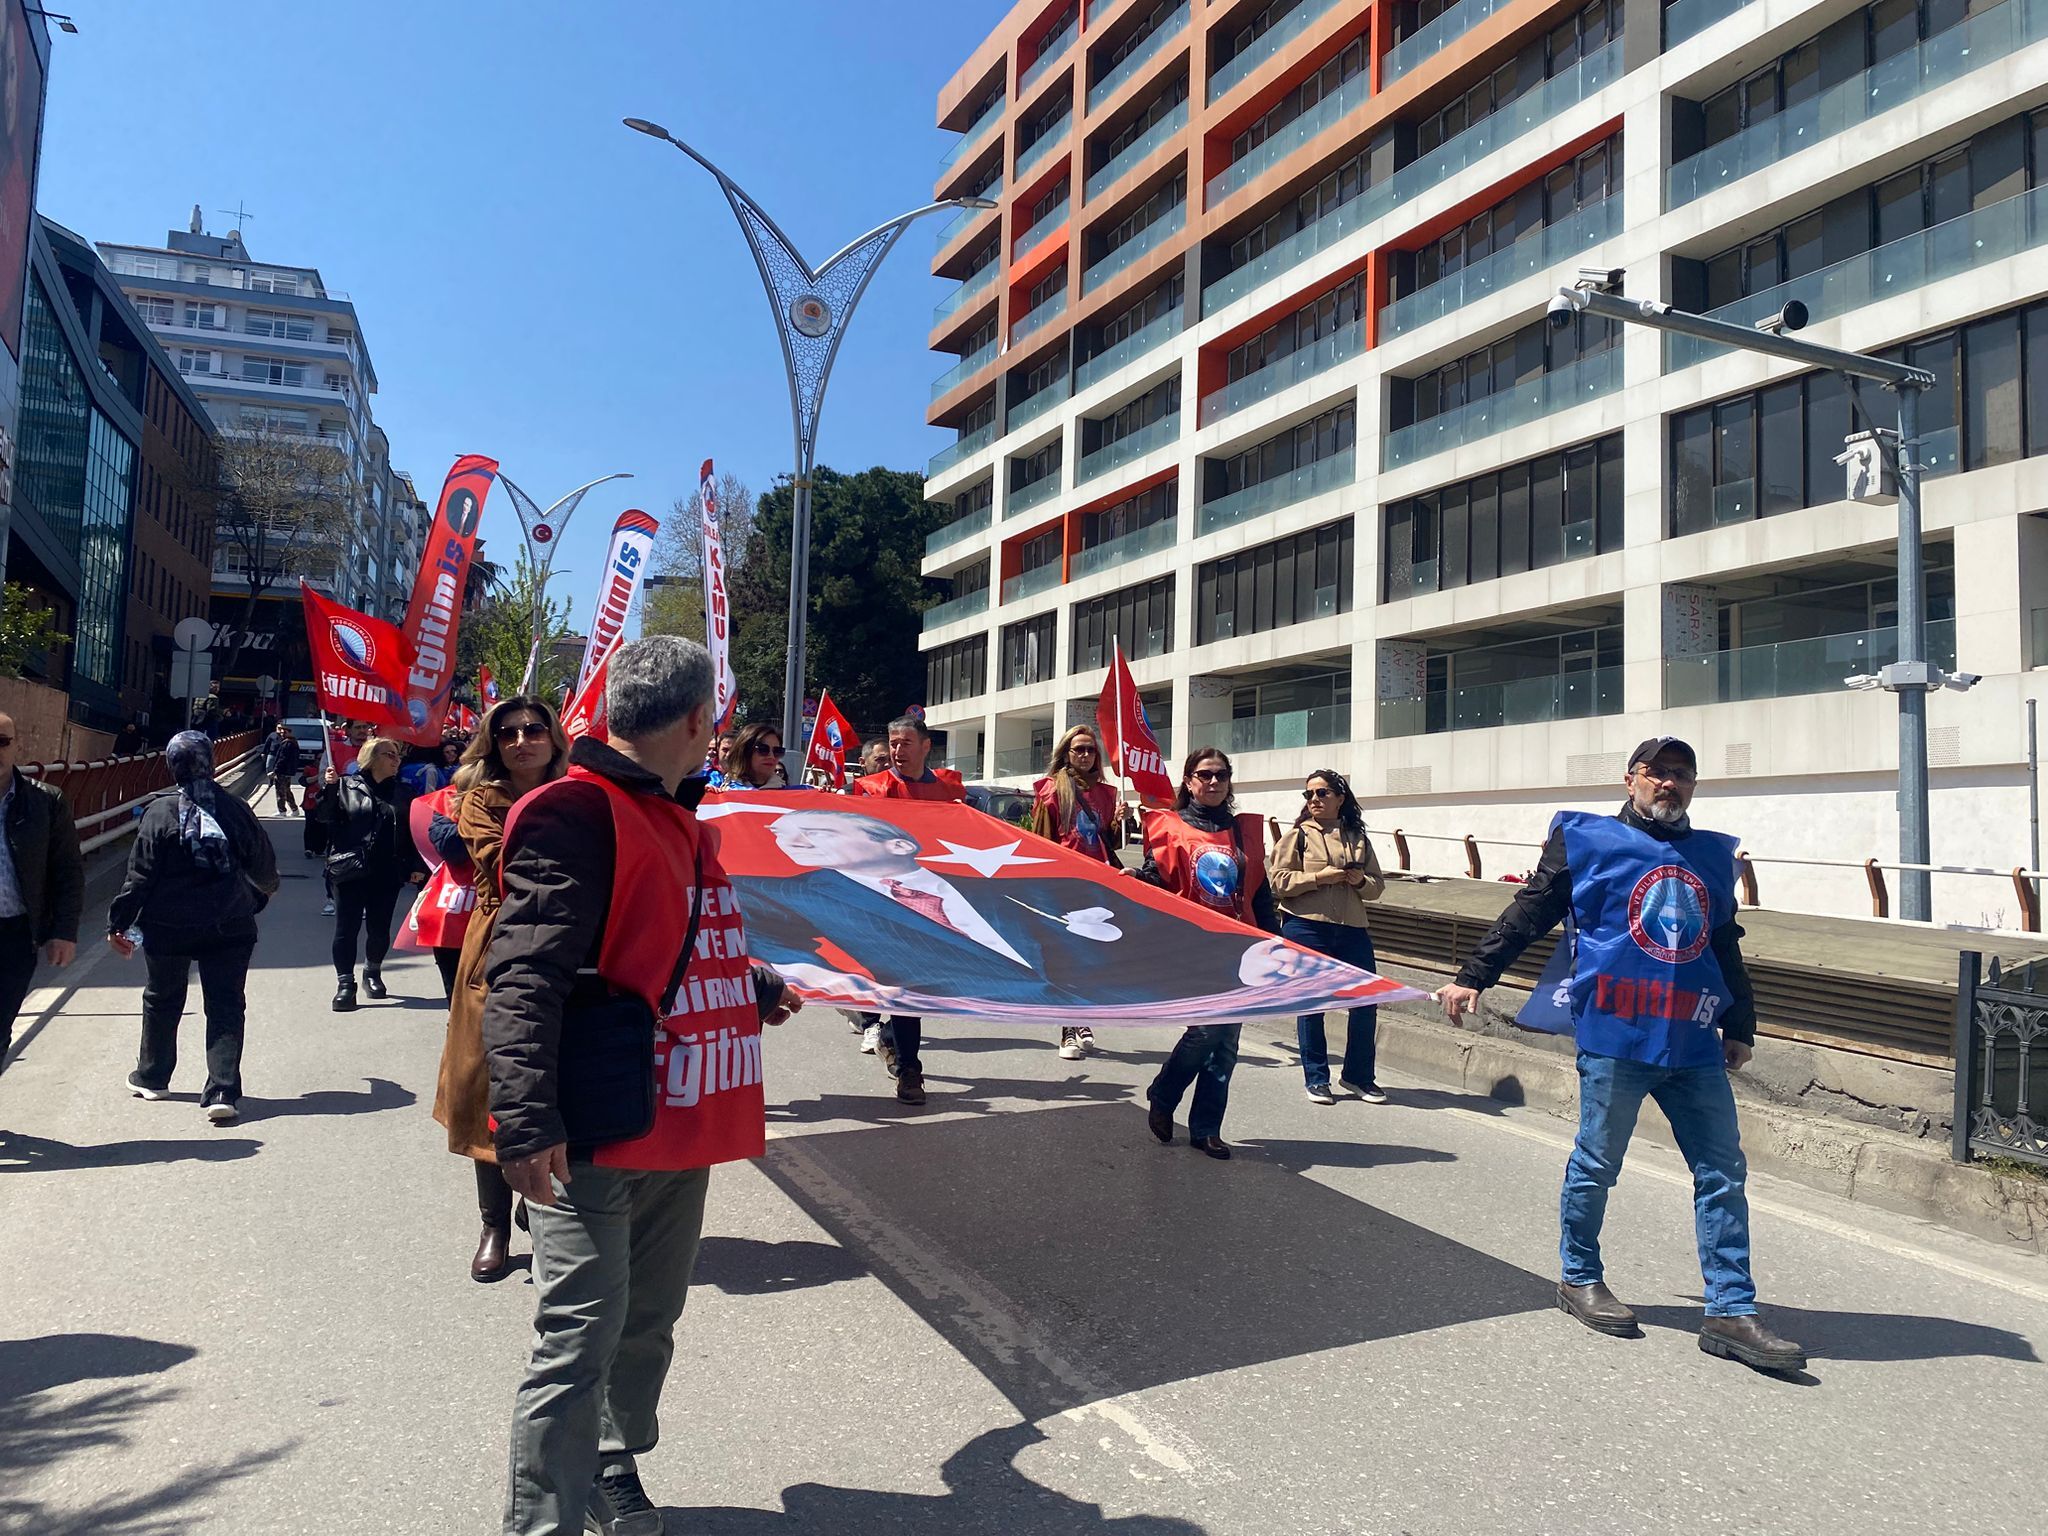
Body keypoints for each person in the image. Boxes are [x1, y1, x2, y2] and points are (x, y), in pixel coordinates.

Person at [482, 636, 800, 1535]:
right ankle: (542, 1521)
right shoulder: (575, 811)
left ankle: (609, 1464)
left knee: (648, 1322)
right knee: (579, 1337)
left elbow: (660, 944)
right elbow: (525, 975)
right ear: (698, 719)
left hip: (678, 1118)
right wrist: (524, 1119)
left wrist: (750, 987)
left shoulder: (675, 815)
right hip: (594, 1123)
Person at [1433, 737, 1804, 1373]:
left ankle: (1730, 1309)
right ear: (1631, 779)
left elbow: (1724, 943)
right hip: (1616, 1036)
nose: (1670, 783)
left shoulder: (1712, 858)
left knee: (1722, 1172)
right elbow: (1530, 910)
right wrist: (1474, 976)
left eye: (1682, 774)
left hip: (1693, 1041)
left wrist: (1740, 1023)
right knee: (1598, 1162)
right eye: (1657, 772)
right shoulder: (1586, 841)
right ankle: (1579, 1277)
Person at [433, 695, 568, 1284]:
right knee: (489, 1084)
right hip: (498, 942)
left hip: (569, 942)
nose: (521, 741)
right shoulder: (480, 801)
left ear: (553, 738)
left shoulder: (578, 793)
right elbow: (506, 864)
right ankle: (493, 1225)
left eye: (533, 729)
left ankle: (539, 1209)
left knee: (554, 1078)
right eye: (508, 733)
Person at [107, 732, 278, 1123]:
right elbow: (264, 867)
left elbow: (140, 877)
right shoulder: (235, 809)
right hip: (230, 923)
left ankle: (153, 1076)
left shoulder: (159, 812)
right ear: (210, 762)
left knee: (162, 998)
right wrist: (258, 897)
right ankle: (222, 1089)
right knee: (226, 1004)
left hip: (168, 926)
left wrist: (119, 922)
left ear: (172, 766)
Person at [1136, 747, 1276, 1160]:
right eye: (1205, 775)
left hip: (1238, 947)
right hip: (1192, 946)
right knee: (1205, 1031)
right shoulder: (1170, 826)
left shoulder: (1243, 831)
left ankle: (1206, 1129)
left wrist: (1275, 942)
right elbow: (1156, 879)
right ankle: (1165, 1093)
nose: (1213, 782)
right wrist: (1134, 879)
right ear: (1189, 780)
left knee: (1227, 1042)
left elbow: (1259, 892)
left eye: (1221, 775)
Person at [846, 715, 965, 1105]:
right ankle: (910, 1069)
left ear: (926, 746)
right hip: (885, 900)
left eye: (905, 743)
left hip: (933, 899)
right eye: (893, 742)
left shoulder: (950, 790)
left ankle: (893, 1041)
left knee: (919, 984)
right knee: (902, 983)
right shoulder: (871, 788)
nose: (897, 750)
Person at [1269, 769, 1386, 1105]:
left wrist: (1359, 881)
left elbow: (1377, 886)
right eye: (1309, 794)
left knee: (1365, 1001)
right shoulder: (1297, 836)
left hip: (1352, 927)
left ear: (1340, 798)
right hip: (1307, 926)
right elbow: (1278, 881)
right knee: (1312, 1003)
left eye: (1322, 793)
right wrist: (1320, 878)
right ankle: (1317, 1078)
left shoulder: (1358, 837)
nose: (1315, 799)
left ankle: (1358, 1076)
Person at [1027, 724, 1119, 1059]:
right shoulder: (1052, 790)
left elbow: (1110, 844)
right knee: (1067, 958)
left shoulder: (1108, 794)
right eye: (1078, 749)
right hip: (1064, 886)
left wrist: (1119, 822)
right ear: (1066, 753)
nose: (1085, 755)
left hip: (1098, 887)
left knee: (1092, 957)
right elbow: (1041, 843)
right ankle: (1068, 1028)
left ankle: (1084, 1016)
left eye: (1090, 749)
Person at [315, 736, 426, 1011]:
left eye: (397, 755)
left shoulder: (404, 792)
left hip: (388, 870)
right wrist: (330, 789)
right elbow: (325, 818)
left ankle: (372, 972)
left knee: (379, 928)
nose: (396, 760)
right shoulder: (344, 786)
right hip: (350, 869)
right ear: (372, 758)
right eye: (390, 754)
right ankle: (345, 984)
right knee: (346, 929)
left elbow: (413, 831)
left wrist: (416, 866)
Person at [0, 711, 81, 1073]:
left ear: (16, 746)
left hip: (15, 935)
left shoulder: (45, 801)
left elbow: (67, 870)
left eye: (2, 742)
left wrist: (63, 931)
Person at [724, 721, 790, 790]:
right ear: (745, 752)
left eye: (777, 751)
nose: (771, 756)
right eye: (763, 749)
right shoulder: (725, 790)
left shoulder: (786, 792)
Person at [262, 722, 303, 816]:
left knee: (280, 790)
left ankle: (282, 811)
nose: (282, 734)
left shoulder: (287, 743)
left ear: (289, 732)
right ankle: (294, 809)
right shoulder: (293, 742)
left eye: (284, 732)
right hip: (288, 770)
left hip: (283, 771)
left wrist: (275, 771)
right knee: (287, 790)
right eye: (281, 732)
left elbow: (282, 758)